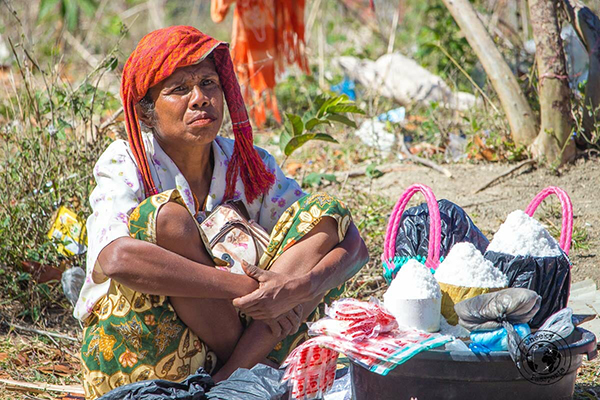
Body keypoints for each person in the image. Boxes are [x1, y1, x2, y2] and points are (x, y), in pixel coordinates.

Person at [74, 25, 369, 400]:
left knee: (326, 211)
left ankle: (227, 382)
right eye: (179, 89)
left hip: (250, 339)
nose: (200, 98)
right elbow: (116, 258)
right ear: (147, 114)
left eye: (209, 84)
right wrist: (253, 290)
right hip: (148, 355)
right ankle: (240, 377)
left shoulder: (247, 163)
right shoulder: (127, 161)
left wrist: (296, 289)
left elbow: (353, 244)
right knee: (166, 220)